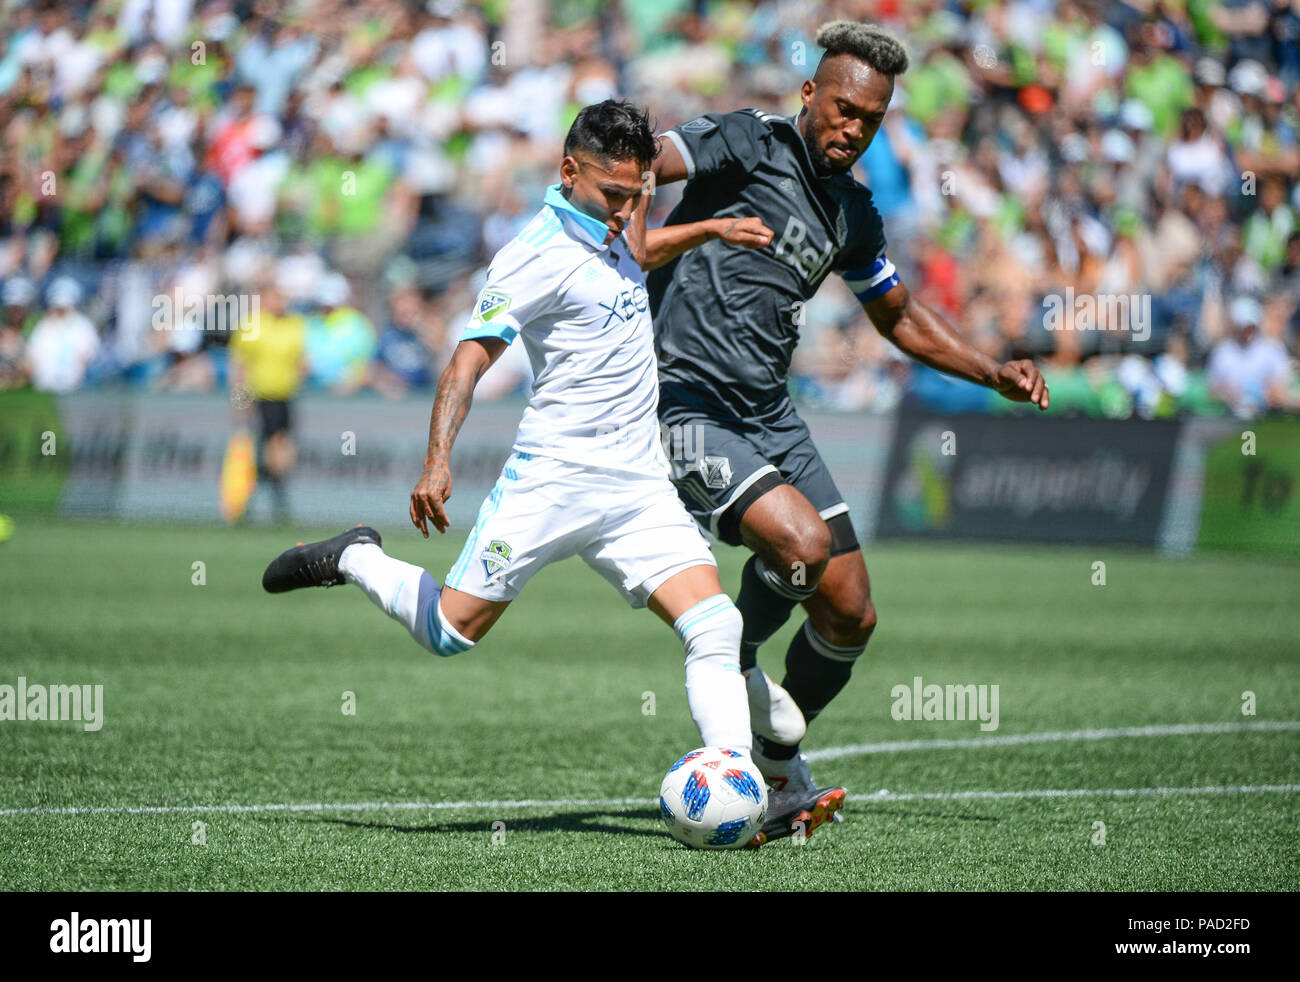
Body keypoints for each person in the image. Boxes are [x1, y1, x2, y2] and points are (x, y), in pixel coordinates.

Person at [261, 101, 844, 848]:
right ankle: (353, 556)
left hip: (636, 486)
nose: (626, 212)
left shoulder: (613, 223)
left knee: (717, 625)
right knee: (449, 633)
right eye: (614, 197)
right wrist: (437, 459)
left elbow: (637, 255)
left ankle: (736, 785)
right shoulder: (531, 253)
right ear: (568, 173)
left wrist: (707, 228)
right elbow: (469, 360)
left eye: (637, 197)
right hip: (553, 481)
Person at [646, 21, 1050, 794]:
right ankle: (733, 662)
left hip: (768, 410)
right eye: (842, 108)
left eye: (870, 118)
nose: (852, 128)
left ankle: (773, 770)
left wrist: (990, 370)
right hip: (682, 401)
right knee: (800, 548)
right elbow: (645, 163)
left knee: (851, 612)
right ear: (810, 94)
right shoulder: (748, 140)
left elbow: (897, 316)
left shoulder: (853, 214)